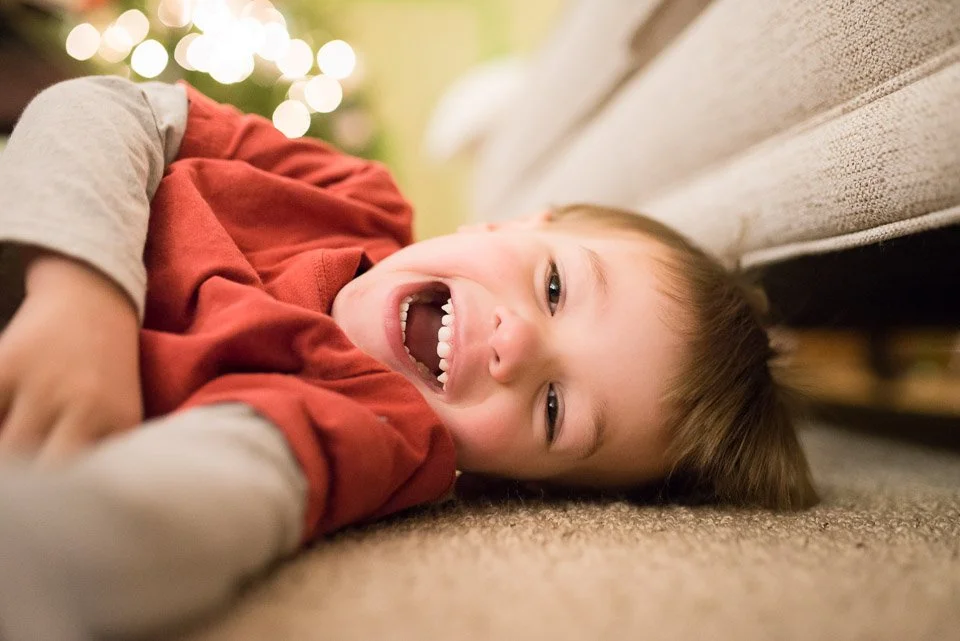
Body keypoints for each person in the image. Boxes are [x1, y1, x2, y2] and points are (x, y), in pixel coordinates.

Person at [0, 77, 817, 640]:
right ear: (513, 223)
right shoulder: (354, 193)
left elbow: (191, 512)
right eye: (558, 285)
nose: (520, 344)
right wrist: (83, 299)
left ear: (507, 481)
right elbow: (102, 109)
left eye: (556, 408)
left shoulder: (374, 430)